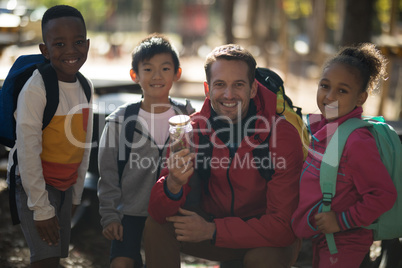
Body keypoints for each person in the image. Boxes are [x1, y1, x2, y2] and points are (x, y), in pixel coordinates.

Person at [144, 44, 304, 268]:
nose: (229, 95)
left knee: (263, 260)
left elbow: (282, 227)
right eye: (220, 84)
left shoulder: (283, 135)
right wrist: (172, 184)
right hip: (212, 227)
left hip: (265, 238)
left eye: (238, 85)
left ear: (253, 89)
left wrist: (212, 231)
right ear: (208, 90)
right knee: (157, 225)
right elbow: (157, 211)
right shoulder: (192, 130)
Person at [291, 43, 397, 267]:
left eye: (342, 90)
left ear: (361, 98)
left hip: (345, 240)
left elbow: (383, 195)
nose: (330, 97)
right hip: (326, 237)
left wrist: (340, 221)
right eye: (325, 86)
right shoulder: (326, 128)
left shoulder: (356, 141)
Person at [6, 5, 93, 268]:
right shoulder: (37, 88)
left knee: (55, 257)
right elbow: (28, 151)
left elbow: (83, 146)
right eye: (59, 44)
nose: (70, 50)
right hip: (34, 186)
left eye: (78, 42)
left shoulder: (85, 86)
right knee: (46, 261)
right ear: (45, 50)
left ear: (87, 45)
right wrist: (41, 208)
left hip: (65, 187)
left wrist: (76, 195)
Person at [97, 33, 195, 268]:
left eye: (165, 68)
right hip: (129, 212)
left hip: (172, 210)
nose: (157, 76)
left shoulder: (187, 116)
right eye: (148, 69)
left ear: (177, 73)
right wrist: (110, 215)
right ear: (135, 75)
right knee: (121, 263)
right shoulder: (120, 121)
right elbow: (107, 174)